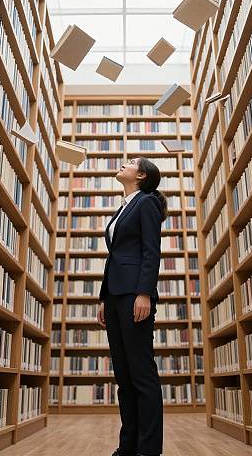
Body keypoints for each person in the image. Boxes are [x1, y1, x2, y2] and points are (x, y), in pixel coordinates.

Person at [97, 157, 168, 456]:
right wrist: (104, 297)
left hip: (134, 295)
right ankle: (128, 448)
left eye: (129, 162)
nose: (122, 163)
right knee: (124, 377)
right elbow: (115, 256)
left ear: (140, 175)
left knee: (141, 374)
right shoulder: (123, 207)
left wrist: (144, 293)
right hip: (114, 296)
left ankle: (148, 451)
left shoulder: (147, 202)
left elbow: (152, 252)